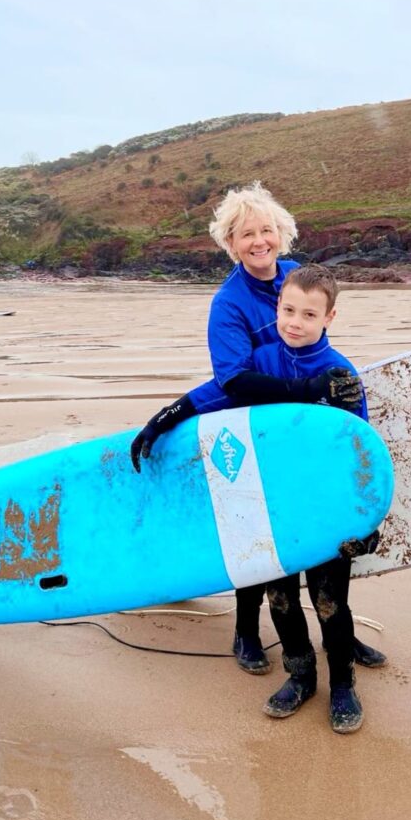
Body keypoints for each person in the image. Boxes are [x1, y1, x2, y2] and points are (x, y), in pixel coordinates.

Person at [133, 182, 386, 678]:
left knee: (314, 543)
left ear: (281, 233)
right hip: (248, 421)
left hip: (296, 429)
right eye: (245, 233)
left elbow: (311, 345)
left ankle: (341, 632)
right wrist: (174, 412)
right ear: (230, 243)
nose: (258, 240)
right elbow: (235, 380)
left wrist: (330, 386)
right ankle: (246, 631)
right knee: (254, 527)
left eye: (266, 229)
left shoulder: (296, 277)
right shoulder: (228, 304)